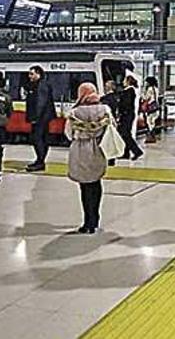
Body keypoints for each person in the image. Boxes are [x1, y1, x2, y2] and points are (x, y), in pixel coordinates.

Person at [64, 82, 113, 234]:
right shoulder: (105, 110)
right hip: (98, 149)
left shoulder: (74, 113)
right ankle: (95, 219)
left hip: (80, 150)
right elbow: (112, 128)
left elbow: (69, 134)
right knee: (96, 182)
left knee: (85, 187)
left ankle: (87, 222)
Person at [25, 65, 56, 172]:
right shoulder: (41, 84)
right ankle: (40, 161)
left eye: (32, 74)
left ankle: (40, 162)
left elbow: (40, 103)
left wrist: (35, 118)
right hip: (44, 118)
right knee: (42, 139)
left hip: (40, 118)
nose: (29, 76)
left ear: (38, 74)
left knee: (37, 139)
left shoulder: (41, 86)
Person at [117, 75, 143, 161]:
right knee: (125, 134)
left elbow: (126, 104)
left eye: (124, 80)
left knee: (125, 134)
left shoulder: (129, 91)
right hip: (127, 114)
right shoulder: (129, 91)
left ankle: (137, 151)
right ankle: (126, 153)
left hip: (127, 115)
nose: (123, 82)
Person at [141, 77, 161, 143]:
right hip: (156, 106)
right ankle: (153, 136)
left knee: (149, 121)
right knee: (153, 122)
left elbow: (146, 97)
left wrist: (142, 94)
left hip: (151, 107)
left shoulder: (149, 89)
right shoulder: (156, 89)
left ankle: (151, 136)